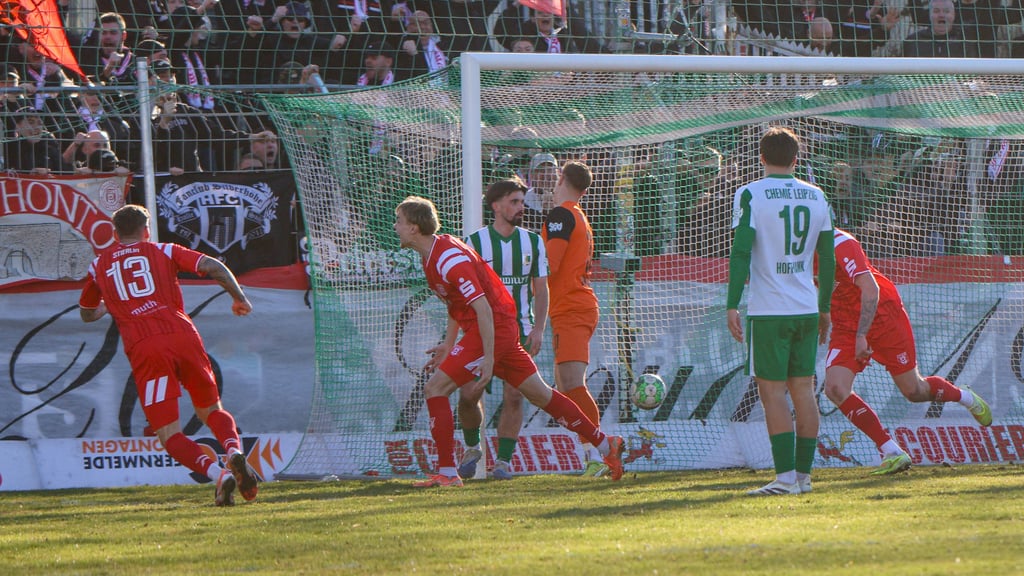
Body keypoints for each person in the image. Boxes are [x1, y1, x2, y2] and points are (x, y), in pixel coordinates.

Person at [393, 195, 624, 487]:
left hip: (492, 328)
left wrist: (489, 358)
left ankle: (448, 473)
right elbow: (456, 304)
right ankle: (605, 444)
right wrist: (449, 345)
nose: (395, 226)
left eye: (399, 221)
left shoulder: (449, 259)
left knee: (435, 389)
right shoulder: (433, 255)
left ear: (414, 227)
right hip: (496, 328)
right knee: (541, 395)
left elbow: (483, 309)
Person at [78, 205, 260, 506]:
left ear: (114, 234)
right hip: (183, 336)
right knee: (211, 409)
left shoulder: (98, 266)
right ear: (146, 230)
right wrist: (239, 298)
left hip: (146, 347)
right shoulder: (164, 250)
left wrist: (110, 304)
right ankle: (233, 450)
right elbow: (214, 266)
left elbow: (86, 314)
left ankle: (218, 474)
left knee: (168, 433)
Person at [823, 228, 992, 475]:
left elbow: (871, 289)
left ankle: (965, 397)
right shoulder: (791, 250)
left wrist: (862, 335)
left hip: (883, 316)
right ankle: (891, 451)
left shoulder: (840, 242)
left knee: (914, 391)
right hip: (846, 324)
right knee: (835, 388)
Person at [725, 126, 835, 496]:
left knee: (771, 393)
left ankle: (786, 478)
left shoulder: (751, 193)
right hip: (806, 306)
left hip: (769, 310)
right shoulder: (817, 195)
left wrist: (731, 303)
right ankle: (803, 477)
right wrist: (824, 308)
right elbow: (828, 259)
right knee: (803, 390)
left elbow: (741, 252)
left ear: (761, 157)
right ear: (796, 159)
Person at [456, 178, 549, 481]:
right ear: (496, 206)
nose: (521, 207)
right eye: (514, 202)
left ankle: (503, 462)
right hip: (481, 332)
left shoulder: (533, 242)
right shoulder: (474, 243)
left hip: (519, 330)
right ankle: (473, 448)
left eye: (522, 201)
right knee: (468, 393)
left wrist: (538, 329)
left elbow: (541, 289)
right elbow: (461, 292)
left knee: (515, 395)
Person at [541, 160, 608, 476]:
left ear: (561, 178)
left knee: (571, 384)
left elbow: (550, 265)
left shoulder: (561, 215)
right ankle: (593, 454)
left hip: (571, 307)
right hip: (571, 306)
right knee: (565, 386)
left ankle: (601, 452)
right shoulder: (577, 214)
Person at [901, 0, 978, 57]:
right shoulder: (912, 42)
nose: (941, 15)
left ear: (954, 15)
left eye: (946, 11)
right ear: (929, 15)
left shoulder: (966, 40)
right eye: (936, 11)